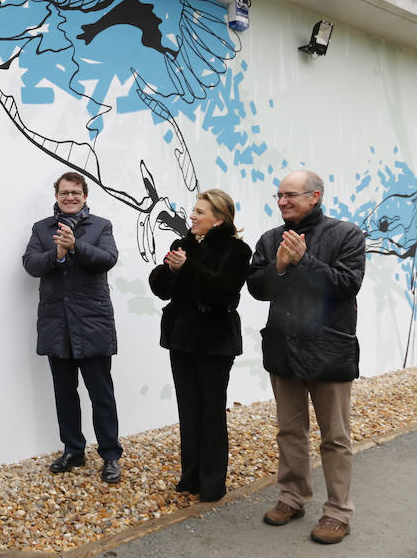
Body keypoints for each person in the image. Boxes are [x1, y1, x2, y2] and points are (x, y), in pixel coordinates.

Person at [247, 170, 365, 545]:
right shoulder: (269, 239)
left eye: (291, 195)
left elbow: (348, 286)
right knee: (290, 432)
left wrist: (304, 261)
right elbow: (256, 288)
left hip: (329, 350)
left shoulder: (346, 234)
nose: (282, 201)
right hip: (283, 349)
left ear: (315, 197)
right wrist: (279, 266)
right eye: (279, 195)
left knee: (335, 437)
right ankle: (293, 497)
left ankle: (337, 512)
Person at [148, 189, 251, 502]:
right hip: (182, 340)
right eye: (193, 210)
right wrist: (170, 271)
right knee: (188, 410)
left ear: (219, 219)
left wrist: (187, 269)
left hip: (215, 342)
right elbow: (162, 288)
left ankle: (212, 483)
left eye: (199, 211)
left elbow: (223, 292)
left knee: (210, 413)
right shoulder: (182, 245)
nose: (191, 215)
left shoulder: (238, 250)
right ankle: (190, 477)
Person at [22, 171, 123, 484]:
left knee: (101, 394)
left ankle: (110, 455)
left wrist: (76, 245)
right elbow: (30, 264)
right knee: (64, 393)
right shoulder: (41, 229)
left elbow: (108, 259)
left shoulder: (101, 226)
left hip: (92, 323)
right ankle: (73, 450)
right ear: (57, 196)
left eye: (75, 192)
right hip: (57, 325)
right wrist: (58, 253)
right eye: (64, 192)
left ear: (85, 195)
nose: (70, 197)